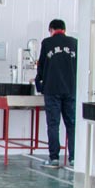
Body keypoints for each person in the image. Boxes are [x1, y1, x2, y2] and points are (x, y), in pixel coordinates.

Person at [34, 19, 77, 168]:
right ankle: (74, 158)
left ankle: (54, 158)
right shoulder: (74, 43)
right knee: (72, 124)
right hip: (71, 89)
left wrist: (39, 83)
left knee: (53, 125)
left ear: (51, 30)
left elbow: (41, 66)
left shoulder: (47, 43)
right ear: (64, 29)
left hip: (52, 90)